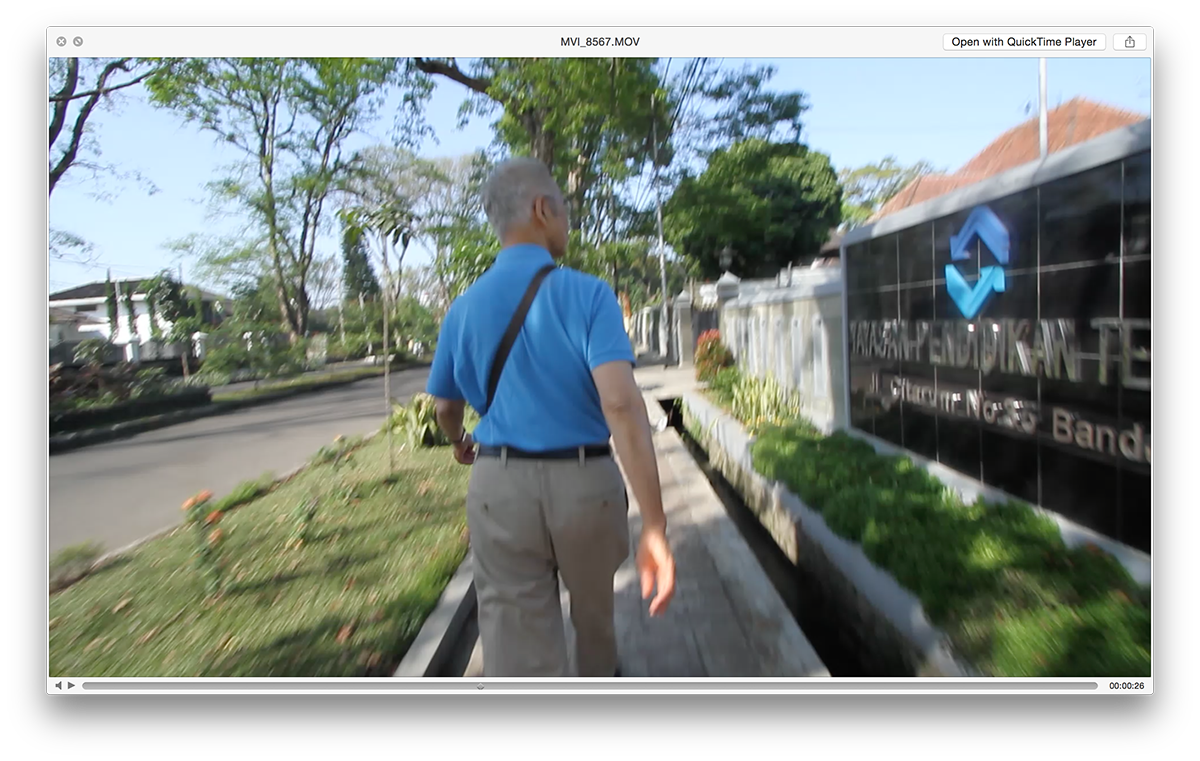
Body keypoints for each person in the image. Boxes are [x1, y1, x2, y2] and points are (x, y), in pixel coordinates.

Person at [425, 157, 676, 678]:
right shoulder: (588, 294)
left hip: (500, 487)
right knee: (595, 618)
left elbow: (445, 408)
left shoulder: (462, 308)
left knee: (516, 640)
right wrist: (655, 523)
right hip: (585, 483)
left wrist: (459, 441)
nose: (567, 219)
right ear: (543, 209)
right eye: (562, 206)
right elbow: (621, 404)